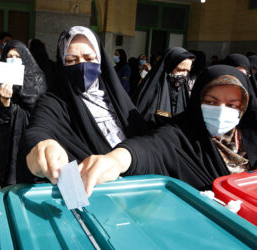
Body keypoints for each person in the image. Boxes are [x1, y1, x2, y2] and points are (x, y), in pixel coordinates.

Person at [78, 65, 257, 196]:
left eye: (232, 105)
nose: (221, 110)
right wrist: (115, 160)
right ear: (197, 100)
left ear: (245, 106)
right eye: (210, 102)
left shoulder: (250, 136)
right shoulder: (180, 134)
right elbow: (150, 147)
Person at [24, 26, 147, 184]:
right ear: (61, 64)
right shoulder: (52, 102)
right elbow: (38, 129)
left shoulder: (118, 99)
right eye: (71, 60)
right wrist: (42, 147)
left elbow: (146, 141)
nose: (82, 66)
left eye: (89, 58)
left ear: (100, 60)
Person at [0, 40, 47, 187]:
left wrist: (19, 88)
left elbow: (40, 107)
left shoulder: (37, 78)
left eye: (17, 56)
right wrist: (5, 102)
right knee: (10, 176)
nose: (13, 60)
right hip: (9, 138)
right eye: (9, 56)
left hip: (29, 135)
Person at [132, 47, 195, 125]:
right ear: (169, 67)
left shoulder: (183, 91)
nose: (184, 74)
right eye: (180, 70)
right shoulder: (152, 91)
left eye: (187, 71)